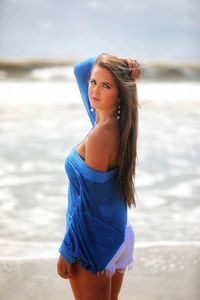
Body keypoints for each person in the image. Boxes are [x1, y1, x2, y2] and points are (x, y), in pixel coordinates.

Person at [57, 53, 141, 300]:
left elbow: (88, 206)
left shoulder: (100, 136)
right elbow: (82, 69)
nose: (94, 91)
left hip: (96, 236)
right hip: (117, 230)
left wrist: (68, 249)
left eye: (106, 86)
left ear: (119, 93)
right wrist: (122, 65)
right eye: (94, 83)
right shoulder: (116, 123)